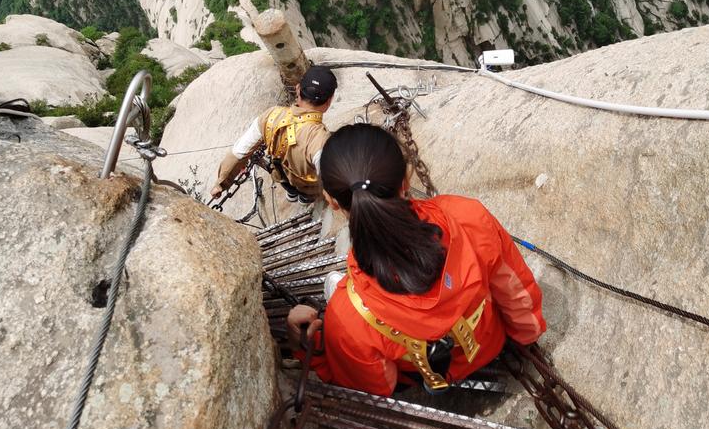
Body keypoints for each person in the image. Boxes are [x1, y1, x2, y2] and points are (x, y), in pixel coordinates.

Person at [286, 123, 545, 394]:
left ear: (332, 201)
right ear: (406, 181)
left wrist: (312, 349)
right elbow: (514, 291)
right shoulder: (468, 217)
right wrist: (527, 337)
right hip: (489, 343)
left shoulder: (348, 316)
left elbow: (378, 385)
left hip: (437, 375)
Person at [210, 65, 338, 204]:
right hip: (309, 186)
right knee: (309, 190)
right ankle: (306, 198)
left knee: (285, 179)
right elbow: (331, 178)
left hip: (281, 176)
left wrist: (220, 184)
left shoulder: (271, 115)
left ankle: (292, 193)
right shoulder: (320, 139)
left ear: (297, 89)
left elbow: (238, 153)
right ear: (329, 101)